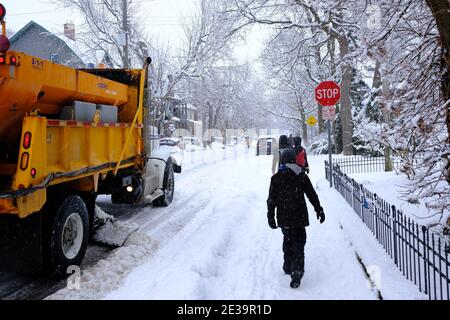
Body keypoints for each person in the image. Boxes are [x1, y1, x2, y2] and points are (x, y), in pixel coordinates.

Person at [267, 151, 325, 288]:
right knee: (299, 243)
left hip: (284, 218)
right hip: (299, 217)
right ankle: (297, 273)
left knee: (287, 239)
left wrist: (270, 216)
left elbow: (271, 200)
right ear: (294, 160)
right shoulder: (301, 176)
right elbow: (311, 194)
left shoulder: (275, 178)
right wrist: (319, 209)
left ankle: (288, 265)